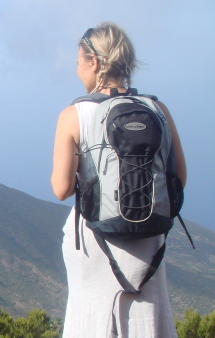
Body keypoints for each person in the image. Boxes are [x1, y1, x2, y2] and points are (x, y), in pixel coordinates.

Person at [51, 22, 186, 337]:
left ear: (94, 63)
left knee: (92, 319)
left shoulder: (74, 115)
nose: (77, 71)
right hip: (149, 240)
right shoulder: (158, 110)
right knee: (148, 319)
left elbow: (61, 189)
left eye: (78, 63)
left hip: (96, 239)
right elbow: (179, 177)